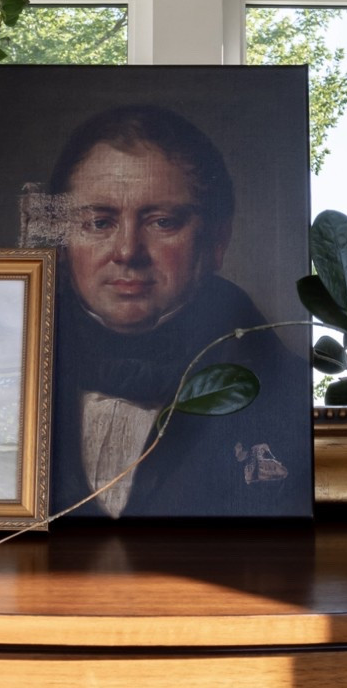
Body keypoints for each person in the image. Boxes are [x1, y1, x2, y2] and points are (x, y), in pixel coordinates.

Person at [39, 104, 309, 518]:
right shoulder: (12, 367)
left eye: (162, 222)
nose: (127, 251)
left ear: (217, 240)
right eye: (99, 222)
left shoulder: (282, 387)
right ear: (62, 239)